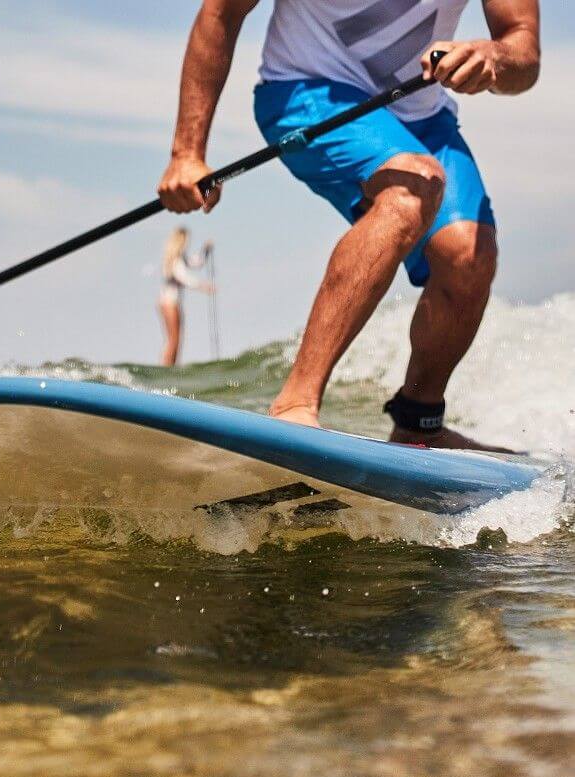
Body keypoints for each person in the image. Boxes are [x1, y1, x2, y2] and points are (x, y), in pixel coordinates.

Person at [158, 0, 540, 449]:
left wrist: (495, 58)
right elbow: (221, 12)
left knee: (468, 256)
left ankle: (419, 425)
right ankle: (295, 405)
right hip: (306, 88)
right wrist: (187, 152)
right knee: (411, 189)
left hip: (420, 112)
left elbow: (523, 50)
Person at [158, 227, 215, 366]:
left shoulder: (181, 259)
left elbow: (197, 262)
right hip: (169, 303)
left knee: (176, 339)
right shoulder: (174, 261)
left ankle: (171, 366)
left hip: (172, 302)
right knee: (173, 339)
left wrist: (205, 250)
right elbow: (184, 278)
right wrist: (203, 286)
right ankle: (166, 368)